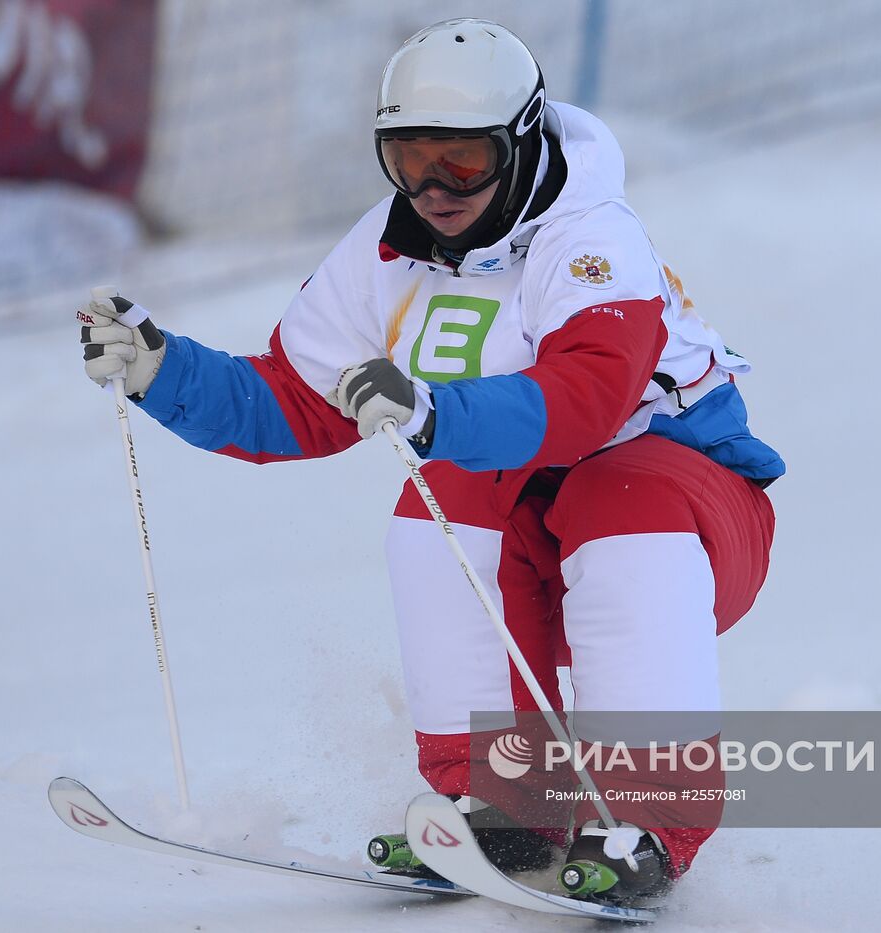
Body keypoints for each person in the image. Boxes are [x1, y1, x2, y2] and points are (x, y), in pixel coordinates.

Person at [78, 18, 782, 905]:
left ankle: (644, 819)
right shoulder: (388, 247)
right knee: (439, 507)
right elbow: (301, 397)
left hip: (691, 509)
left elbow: (588, 397)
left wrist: (436, 408)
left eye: (463, 161)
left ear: (519, 145)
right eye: (409, 160)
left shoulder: (590, 236)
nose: (435, 188)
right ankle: (507, 804)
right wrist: (162, 372)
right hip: (533, 533)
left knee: (618, 496)